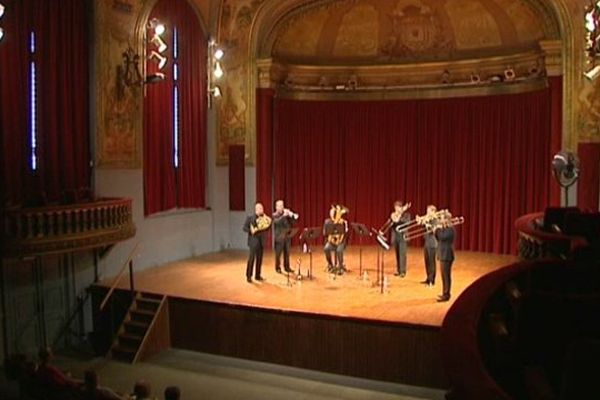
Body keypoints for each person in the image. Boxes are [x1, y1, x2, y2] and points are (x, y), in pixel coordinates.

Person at [243, 202, 270, 283]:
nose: (262, 210)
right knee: (251, 259)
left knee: (259, 259)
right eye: (260, 208)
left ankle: (257, 275)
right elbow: (244, 228)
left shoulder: (264, 218)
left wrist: (267, 225)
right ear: (256, 209)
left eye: (262, 208)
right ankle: (248, 276)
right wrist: (251, 231)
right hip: (253, 241)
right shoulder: (250, 218)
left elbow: (267, 228)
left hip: (261, 241)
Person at [272, 200, 299, 273]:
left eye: (282, 205)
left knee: (287, 253)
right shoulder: (274, 215)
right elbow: (277, 222)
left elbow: (293, 222)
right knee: (278, 254)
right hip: (279, 238)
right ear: (276, 207)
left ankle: (287, 267)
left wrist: (291, 216)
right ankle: (277, 267)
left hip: (287, 237)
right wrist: (284, 216)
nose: (282, 207)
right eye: (280, 206)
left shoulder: (286, 215)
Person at [435, 213, 456, 302]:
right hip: (442, 254)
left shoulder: (450, 229)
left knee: (446, 276)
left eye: (442, 219)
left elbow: (442, 237)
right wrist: (436, 230)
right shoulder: (444, 229)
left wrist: (437, 229)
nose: (440, 220)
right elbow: (438, 238)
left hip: (447, 254)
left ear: (447, 220)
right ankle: (445, 293)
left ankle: (446, 294)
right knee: (443, 276)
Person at [323, 204, 349, 274]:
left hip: (341, 242)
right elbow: (325, 234)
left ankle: (340, 266)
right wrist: (330, 238)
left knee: (339, 250)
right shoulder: (327, 222)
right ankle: (330, 264)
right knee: (326, 248)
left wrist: (339, 240)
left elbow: (345, 234)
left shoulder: (343, 222)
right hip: (331, 241)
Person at [390, 201, 411, 277]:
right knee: (397, 254)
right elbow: (393, 221)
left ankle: (403, 272)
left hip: (403, 236)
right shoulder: (393, 214)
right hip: (396, 236)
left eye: (398, 207)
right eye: (395, 207)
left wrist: (400, 214)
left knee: (402, 254)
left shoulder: (406, 215)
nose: (396, 209)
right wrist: (397, 215)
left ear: (401, 207)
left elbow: (406, 222)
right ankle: (399, 270)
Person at [420, 205, 438, 287]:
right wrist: (421, 221)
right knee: (427, 262)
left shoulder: (435, 219)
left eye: (428, 211)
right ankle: (428, 278)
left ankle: (432, 280)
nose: (427, 213)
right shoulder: (427, 219)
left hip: (432, 243)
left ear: (433, 211)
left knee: (431, 263)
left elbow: (433, 231)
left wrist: (427, 224)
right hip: (427, 243)